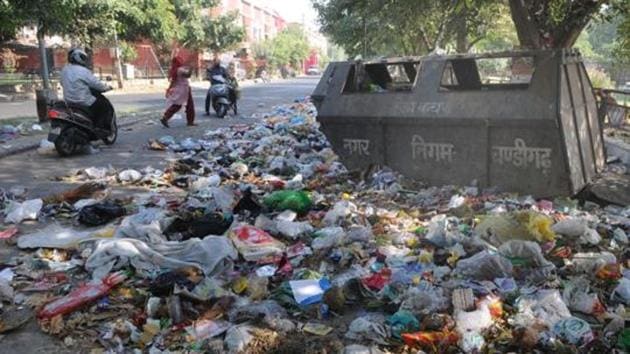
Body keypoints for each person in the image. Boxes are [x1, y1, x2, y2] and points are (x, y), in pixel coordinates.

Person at [60, 48, 113, 129]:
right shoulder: (83, 71)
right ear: (77, 57)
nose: (85, 60)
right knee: (104, 106)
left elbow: (62, 83)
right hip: (83, 101)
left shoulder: (64, 70)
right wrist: (106, 87)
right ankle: (98, 127)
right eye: (83, 57)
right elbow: (96, 84)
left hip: (69, 102)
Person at [161, 55, 195, 127]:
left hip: (178, 89)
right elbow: (188, 75)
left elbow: (172, 82)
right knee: (189, 105)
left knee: (177, 104)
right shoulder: (180, 70)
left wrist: (169, 89)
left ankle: (166, 117)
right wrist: (191, 68)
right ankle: (190, 121)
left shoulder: (173, 70)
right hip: (185, 89)